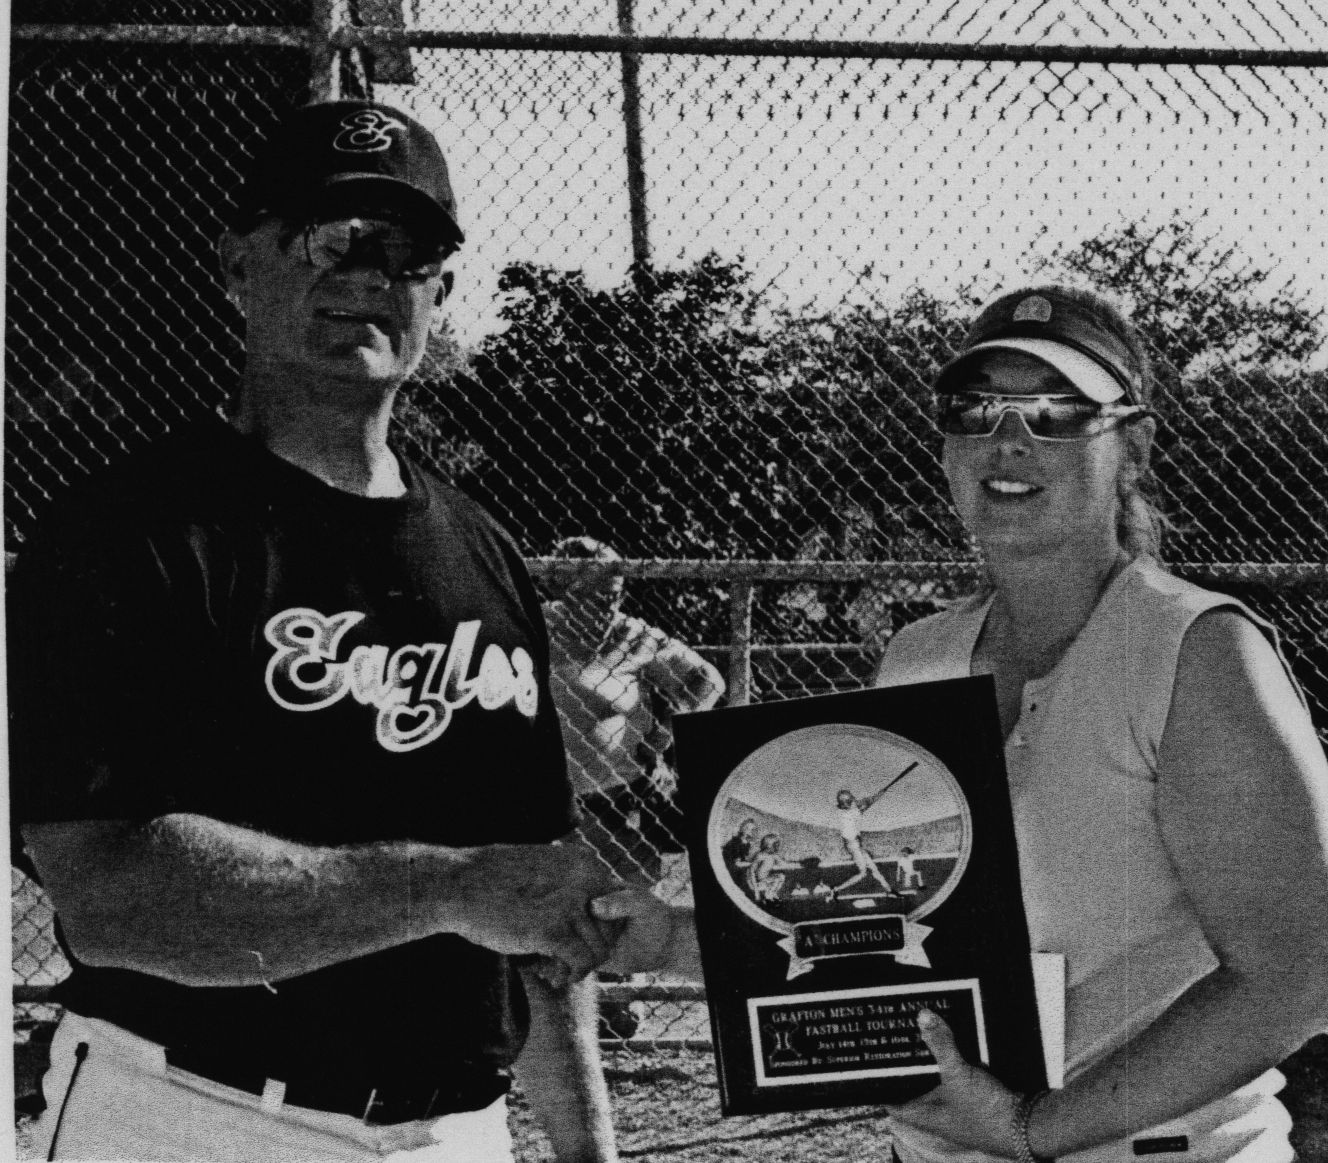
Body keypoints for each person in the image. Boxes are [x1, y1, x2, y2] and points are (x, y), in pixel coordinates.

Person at [7, 99, 623, 1163]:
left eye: (402, 247)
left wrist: (584, 1149)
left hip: (455, 1132)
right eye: (321, 237)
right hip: (190, 1114)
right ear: (237, 268)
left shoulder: (482, 553)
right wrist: (448, 884)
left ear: (442, 286)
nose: (363, 272)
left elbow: (533, 908)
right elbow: (109, 895)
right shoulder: (125, 536)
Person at [589, 284, 1328, 1163]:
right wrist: (672, 937)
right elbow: (870, 928)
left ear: (1133, 443)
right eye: (974, 411)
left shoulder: (1197, 652)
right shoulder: (918, 656)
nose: (1008, 440)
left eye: (1056, 412)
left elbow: (1298, 974)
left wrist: (1032, 1129)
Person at [544, 535, 725, 886]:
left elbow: (707, 680)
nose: (607, 607)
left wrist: (662, 735)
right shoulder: (536, 627)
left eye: (614, 595)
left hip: (618, 801)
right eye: (593, 596)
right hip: (549, 804)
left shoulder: (633, 635)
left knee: (628, 909)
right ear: (563, 591)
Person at [830, 786, 900, 899]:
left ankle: (889, 890)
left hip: (855, 843)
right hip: (853, 845)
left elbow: (862, 802)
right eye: (851, 800)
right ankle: (836, 889)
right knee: (863, 873)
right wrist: (877, 796)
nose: (853, 801)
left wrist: (878, 794)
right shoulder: (850, 813)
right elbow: (866, 804)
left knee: (873, 868)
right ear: (846, 803)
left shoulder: (842, 809)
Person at [746, 834, 789, 902]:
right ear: (769, 845)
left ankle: (772, 894)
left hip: (766, 881)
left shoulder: (773, 855)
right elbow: (751, 872)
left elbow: (783, 864)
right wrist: (756, 892)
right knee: (777, 879)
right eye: (776, 845)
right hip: (757, 883)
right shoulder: (760, 856)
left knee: (781, 876)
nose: (778, 847)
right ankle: (768, 897)